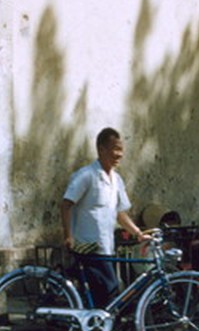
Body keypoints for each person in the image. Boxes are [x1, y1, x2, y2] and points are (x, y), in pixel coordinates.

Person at [61, 127, 145, 311]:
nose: (119, 154)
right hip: (88, 246)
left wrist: (138, 233)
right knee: (109, 291)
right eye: (115, 149)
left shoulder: (117, 180)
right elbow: (66, 204)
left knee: (106, 295)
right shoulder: (86, 175)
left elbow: (120, 214)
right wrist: (68, 235)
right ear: (101, 149)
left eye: (121, 149)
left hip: (106, 247)